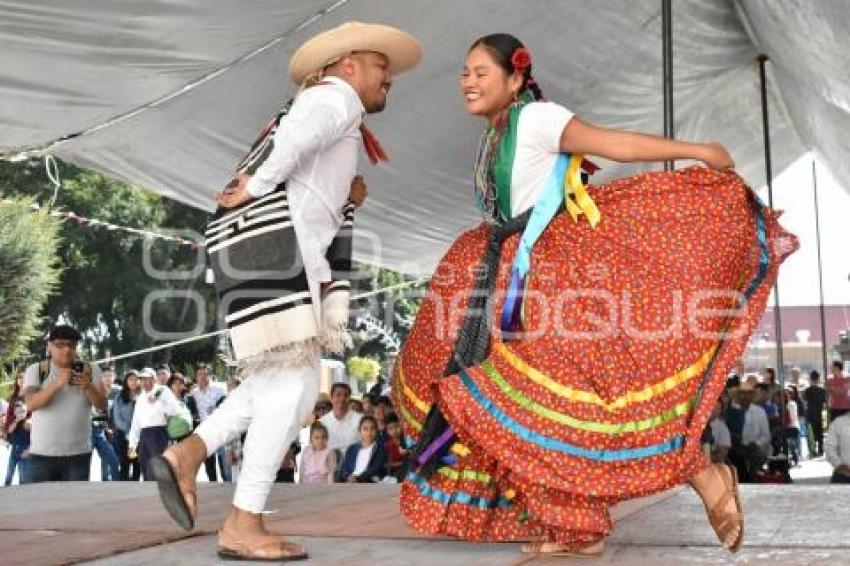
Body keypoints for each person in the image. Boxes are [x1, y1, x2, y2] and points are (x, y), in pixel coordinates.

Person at [394, 33, 796, 557]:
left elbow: (613, 143)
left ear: (515, 78)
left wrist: (695, 150)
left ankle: (698, 475)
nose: (467, 82)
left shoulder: (536, 118)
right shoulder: (494, 134)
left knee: (544, 403)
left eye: (480, 72)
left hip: (546, 277)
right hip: (507, 275)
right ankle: (576, 526)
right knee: (518, 403)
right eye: (463, 73)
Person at [151, 21, 421, 562]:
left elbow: (307, 182)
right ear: (347, 65)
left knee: (287, 386)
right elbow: (296, 141)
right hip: (278, 259)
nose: (388, 75)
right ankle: (242, 521)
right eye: (378, 64)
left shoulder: (331, 104)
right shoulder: (334, 97)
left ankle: (189, 454)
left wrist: (347, 198)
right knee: (294, 384)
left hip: (275, 258)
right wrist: (254, 184)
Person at [23, 325, 106, 483]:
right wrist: (57, 383)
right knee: (42, 504)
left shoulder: (91, 370)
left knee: (74, 505)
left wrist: (88, 386)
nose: (67, 349)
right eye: (60, 345)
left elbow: (102, 406)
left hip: (79, 454)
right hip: (42, 455)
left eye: (71, 345)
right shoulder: (37, 370)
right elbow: (31, 405)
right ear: (49, 346)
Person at [128, 368, 184, 480]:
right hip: (144, 436)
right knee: (146, 470)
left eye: (148, 379)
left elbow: (176, 410)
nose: (145, 382)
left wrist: (158, 402)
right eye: (143, 379)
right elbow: (136, 422)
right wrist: (132, 444)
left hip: (159, 434)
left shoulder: (163, 390)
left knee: (161, 470)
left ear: (154, 379)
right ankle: (151, 495)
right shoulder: (141, 396)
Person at [725, 382, 772, 482]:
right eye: (742, 393)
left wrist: (756, 444)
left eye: (749, 393)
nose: (745, 397)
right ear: (738, 396)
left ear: (752, 395)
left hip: (755, 448)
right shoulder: (730, 412)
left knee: (758, 455)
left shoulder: (760, 412)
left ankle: (753, 477)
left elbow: (766, 435)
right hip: (736, 448)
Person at [188, 366, 225, 482]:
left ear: (210, 375)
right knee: (208, 461)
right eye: (199, 375)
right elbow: (193, 412)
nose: (202, 377)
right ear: (196, 377)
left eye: (205, 374)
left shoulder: (219, 389)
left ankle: (226, 484)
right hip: (205, 431)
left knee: (223, 460)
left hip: (220, 429)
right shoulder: (194, 394)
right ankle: (212, 484)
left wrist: (215, 408)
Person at [91, 368, 121, 481]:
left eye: (110, 376)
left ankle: (114, 486)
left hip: (105, 431)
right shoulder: (93, 391)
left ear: (114, 377)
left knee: (113, 461)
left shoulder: (119, 391)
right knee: (84, 464)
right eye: (104, 376)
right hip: (90, 430)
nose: (107, 378)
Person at [339, 415, 387, 483]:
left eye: (372, 429)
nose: (369, 432)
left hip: (367, 482)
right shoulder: (352, 448)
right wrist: (348, 476)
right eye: (365, 429)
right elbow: (344, 468)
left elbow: (375, 469)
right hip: (349, 482)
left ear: (377, 430)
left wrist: (358, 478)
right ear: (359, 430)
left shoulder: (380, 449)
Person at [112, 370, 141, 481]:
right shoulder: (119, 397)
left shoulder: (143, 396)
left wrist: (138, 431)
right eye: (130, 379)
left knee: (137, 465)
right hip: (124, 437)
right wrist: (130, 431)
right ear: (126, 381)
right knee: (125, 464)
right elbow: (117, 419)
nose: (133, 382)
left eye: (136, 379)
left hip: (140, 437)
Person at [4, 374, 31, 485]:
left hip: (26, 439)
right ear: (16, 381)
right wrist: (15, 421)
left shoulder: (31, 396)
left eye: (24, 378)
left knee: (23, 479)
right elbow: (8, 421)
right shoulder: (13, 398)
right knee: (8, 477)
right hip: (16, 439)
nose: (21, 380)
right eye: (19, 378)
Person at [321, 383, 362, 451]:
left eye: (346, 396)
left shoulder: (360, 420)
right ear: (331, 398)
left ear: (349, 398)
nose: (342, 398)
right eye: (338, 395)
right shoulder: (322, 422)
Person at [803, 370, 827, 456]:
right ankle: (820, 449)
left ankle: (813, 450)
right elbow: (824, 402)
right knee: (819, 433)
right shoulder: (822, 391)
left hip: (810, 414)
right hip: (819, 414)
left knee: (811, 434)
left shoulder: (807, 391)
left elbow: (805, 403)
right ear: (818, 379)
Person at [825, 411, 850, 484]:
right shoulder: (838, 423)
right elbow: (829, 448)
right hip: (844, 476)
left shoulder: (838, 423)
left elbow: (829, 448)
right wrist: (840, 466)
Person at [708, 400, 732, 465]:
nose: (714, 411)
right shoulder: (696, 425)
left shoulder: (723, 428)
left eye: (718, 409)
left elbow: (721, 455)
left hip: (713, 466)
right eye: (712, 407)